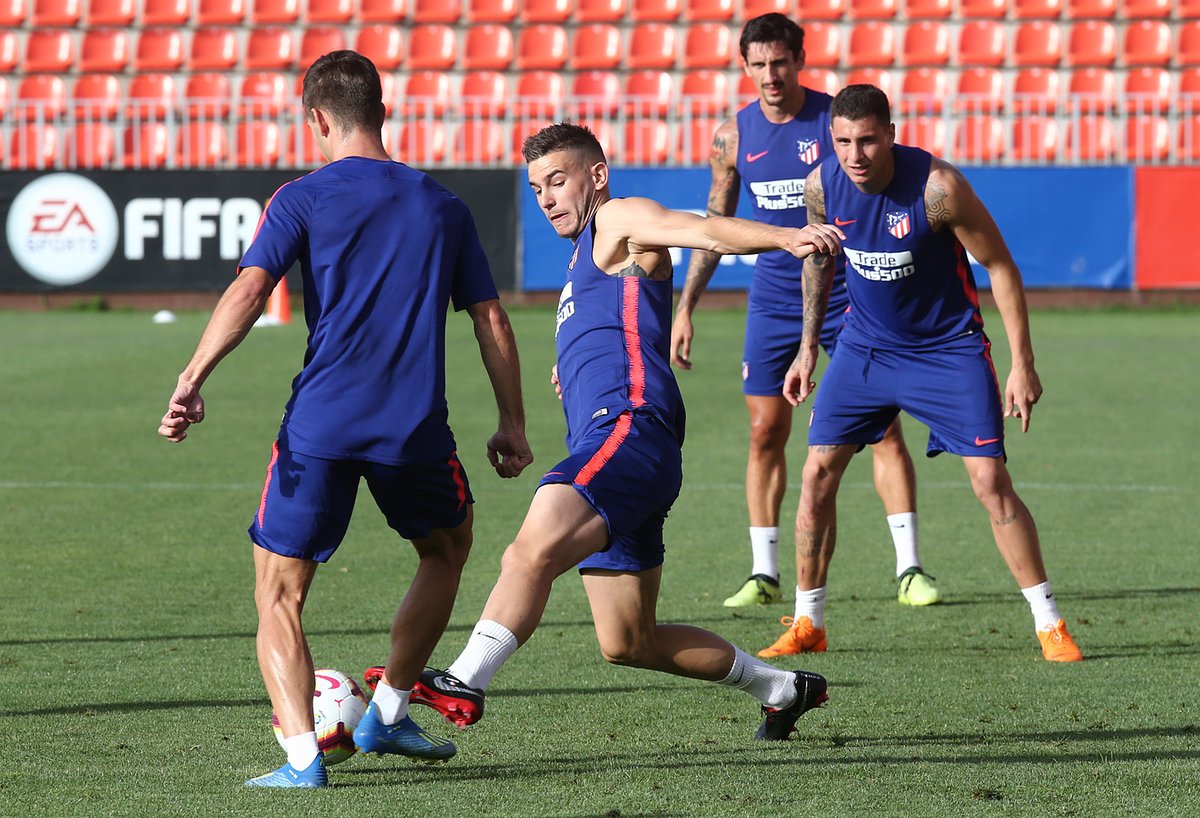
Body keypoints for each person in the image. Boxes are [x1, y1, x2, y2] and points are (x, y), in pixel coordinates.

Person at [366, 122, 844, 742]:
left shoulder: (618, 217)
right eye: (537, 187)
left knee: (528, 550)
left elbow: (699, 228)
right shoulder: (581, 260)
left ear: (596, 175)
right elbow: (612, 330)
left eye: (558, 180)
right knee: (628, 640)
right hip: (626, 450)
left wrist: (788, 237)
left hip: (628, 433)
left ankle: (463, 679)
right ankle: (781, 687)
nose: (547, 198)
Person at [157, 51, 534, 788]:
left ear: (318, 119)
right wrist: (511, 422)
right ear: (384, 113)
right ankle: (388, 710)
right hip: (413, 428)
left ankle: (304, 761)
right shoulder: (443, 206)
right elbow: (490, 318)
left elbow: (250, 289)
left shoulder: (300, 198)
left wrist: (192, 377)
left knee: (279, 591)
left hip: (321, 428)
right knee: (447, 547)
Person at [765, 83, 1083, 663]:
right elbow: (820, 262)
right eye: (842, 142)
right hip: (865, 349)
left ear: (891, 133)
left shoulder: (939, 189)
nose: (854, 155)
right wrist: (809, 346)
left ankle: (1050, 624)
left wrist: (1022, 365)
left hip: (947, 350)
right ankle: (809, 621)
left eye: (866, 140)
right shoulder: (821, 186)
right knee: (816, 475)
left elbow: (1001, 266)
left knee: (990, 484)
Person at [670, 13, 940, 614]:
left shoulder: (834, 122)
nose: (771, 75)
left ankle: (910, 567)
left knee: (883, 429)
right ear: (745, 68)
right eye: (759, 64)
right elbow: (716, 223)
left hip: (851, 294)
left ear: (799, 59)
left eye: (781, 62)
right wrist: (686, 306)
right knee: (766, 430)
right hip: (772, 301)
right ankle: (764, 572)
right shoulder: (732, 137)